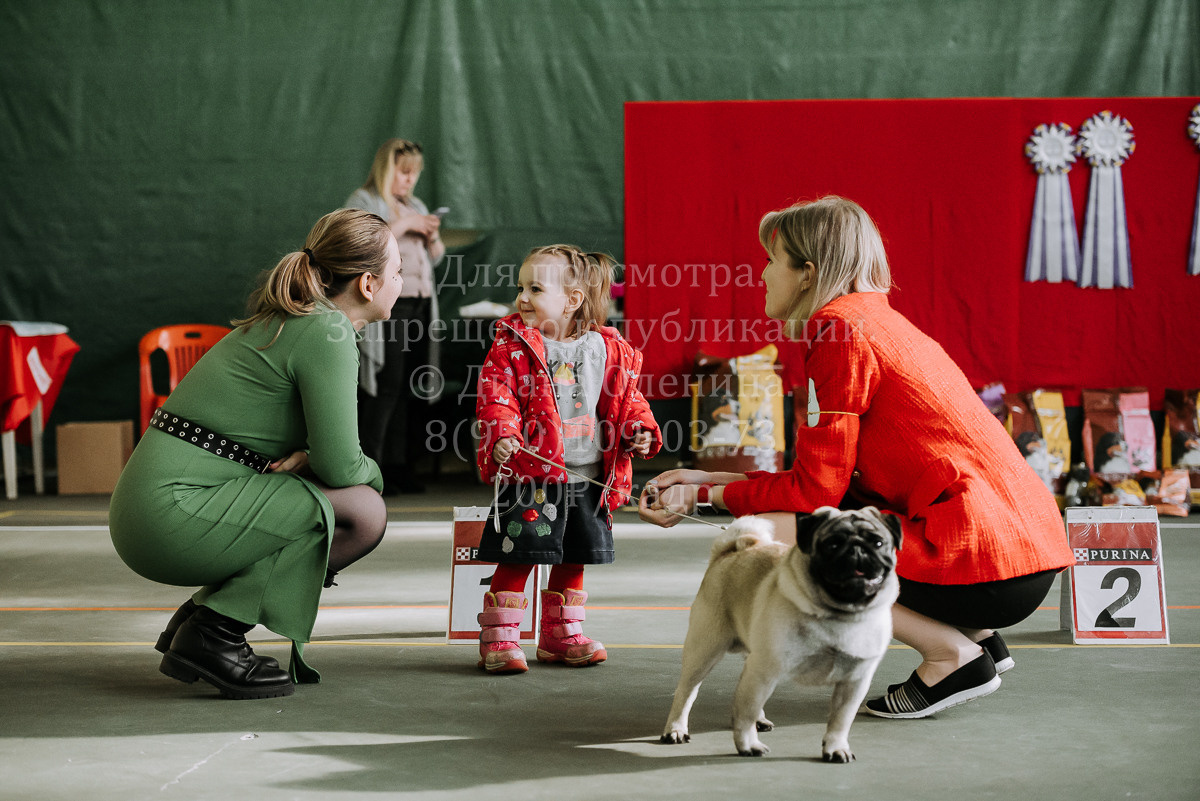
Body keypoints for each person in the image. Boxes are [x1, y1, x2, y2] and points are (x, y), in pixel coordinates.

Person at [639, 196, 1074, 718]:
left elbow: (812, 496)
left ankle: (950, 654)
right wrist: (707, 475)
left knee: (786, 533)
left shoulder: (838, 331)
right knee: (821, 521)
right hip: (1025, 559)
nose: (761, 274)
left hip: (982, 565)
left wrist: (705, 494)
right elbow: (829, 478)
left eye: (772, 260)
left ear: (808, 273)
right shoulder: (877, 322)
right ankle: (977, 636)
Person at [109, 208, 403, 700]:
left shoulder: (300, 320)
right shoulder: (327, 332)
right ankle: (215, 632)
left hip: (150, 510)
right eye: (398, 272)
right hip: (168, 516)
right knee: (363, 510)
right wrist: (372, 469)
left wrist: (315, 456)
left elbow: (321, 457)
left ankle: (204, 620)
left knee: (338, 501)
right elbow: (341, 467)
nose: (402, 282)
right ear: (369, 285)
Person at [474, 245, 662, 674]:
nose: (522, 297)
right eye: (521, 286)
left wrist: (638, 430)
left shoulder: (607, 349)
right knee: (518, 554)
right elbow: (496, 397)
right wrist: (504, 434)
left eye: (535, 288)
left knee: (574, 556)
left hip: (588, 477)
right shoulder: (512, 347)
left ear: (572, 300)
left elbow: (626, 400)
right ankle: (499, 640)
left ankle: (561, 636)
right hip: (531, 477)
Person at [344, 138, 446, 493]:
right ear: (387, 169)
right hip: (390, 307)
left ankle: (399, 466)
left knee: (407, 388)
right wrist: (405, 225)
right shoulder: (365, 201)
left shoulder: (414, 204)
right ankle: (370, 466)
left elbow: (434, 258)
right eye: (403, 172)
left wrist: (431, 236)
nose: (409, 181)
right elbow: (360, 242)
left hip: (419, 304)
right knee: (384, 387)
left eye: (414, 173)